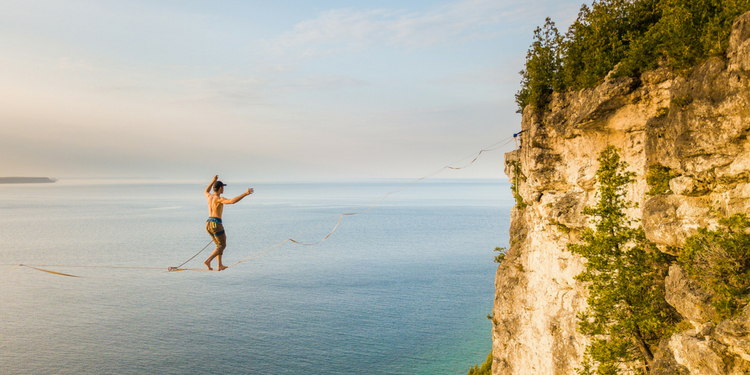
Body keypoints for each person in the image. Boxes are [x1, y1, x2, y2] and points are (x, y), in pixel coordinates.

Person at [204, 175, 253, 271]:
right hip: (216, 223)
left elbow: (206, 191)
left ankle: (219, 265)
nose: (223, 189)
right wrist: (245, 194)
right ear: (220, 188)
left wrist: (213, 181)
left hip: (208, 223)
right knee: (222, 245)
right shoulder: (219, 199)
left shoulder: (209, 197)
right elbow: (231, 201)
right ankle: (208, 260)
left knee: (219, 245)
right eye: (223, 188)